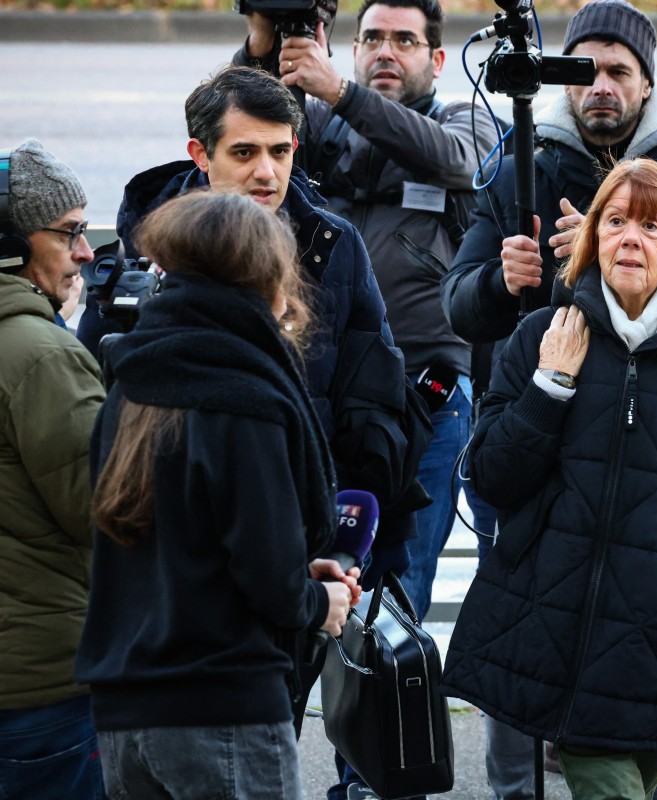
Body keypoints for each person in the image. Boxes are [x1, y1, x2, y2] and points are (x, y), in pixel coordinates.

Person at [442, 158, 657, 800]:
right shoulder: (541, 336)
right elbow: (490, 476)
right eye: (616, 220)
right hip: (557, 618)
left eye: (651, 225)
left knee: (644, 777)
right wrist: (550, 388)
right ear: (595, 236)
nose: (631, 237)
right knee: (605, 779)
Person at [73, 191, 357, 800]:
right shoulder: (244, 395)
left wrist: (298, 577)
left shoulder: (132, 376)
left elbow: (173, 538)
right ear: (269, 278)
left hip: (126, 708)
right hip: (222, 704)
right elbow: (269, 580)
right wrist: (322, 601)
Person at [236, 0, 500, 627]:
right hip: (323, 385)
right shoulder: (320, 123)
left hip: (425, 393)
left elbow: (463, 164)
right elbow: (237, 125)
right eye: (373, 38)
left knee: (398, 584)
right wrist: (260, 45)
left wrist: (342, 91)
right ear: (351, 48)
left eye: (404, 41)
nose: (386, 52)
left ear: (436, 59)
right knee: (298, 561)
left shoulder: (467, 120)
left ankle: (386, 717)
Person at [442, 0, 657, 345]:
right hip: (540, 386)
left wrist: (601, 249)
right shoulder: (514, 177)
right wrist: (501, 281)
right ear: (565, 83)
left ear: (647, 84)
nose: (602, 87)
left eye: (618, 72)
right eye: (586, 71)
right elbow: (457, 310)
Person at [0, 139, 107, 800]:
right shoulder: (40, 356)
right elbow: (104, 507)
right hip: (39, 686)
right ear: (12, 245)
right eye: (70, 232)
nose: (87, 251)